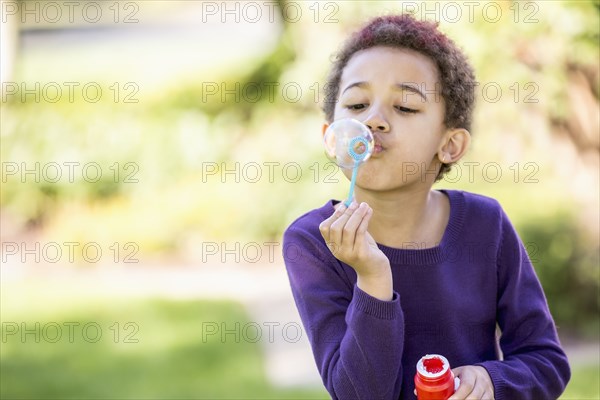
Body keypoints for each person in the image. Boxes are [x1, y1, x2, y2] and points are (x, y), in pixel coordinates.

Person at [282, 14, 570, 400]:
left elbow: (546, 361)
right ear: (331, 138)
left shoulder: (486, 225)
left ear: (450, 145)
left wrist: (491, 381)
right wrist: (372, 279)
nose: (373, 121)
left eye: (404, 107)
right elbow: (358, 393)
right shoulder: (314, 243)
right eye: (356, 104)